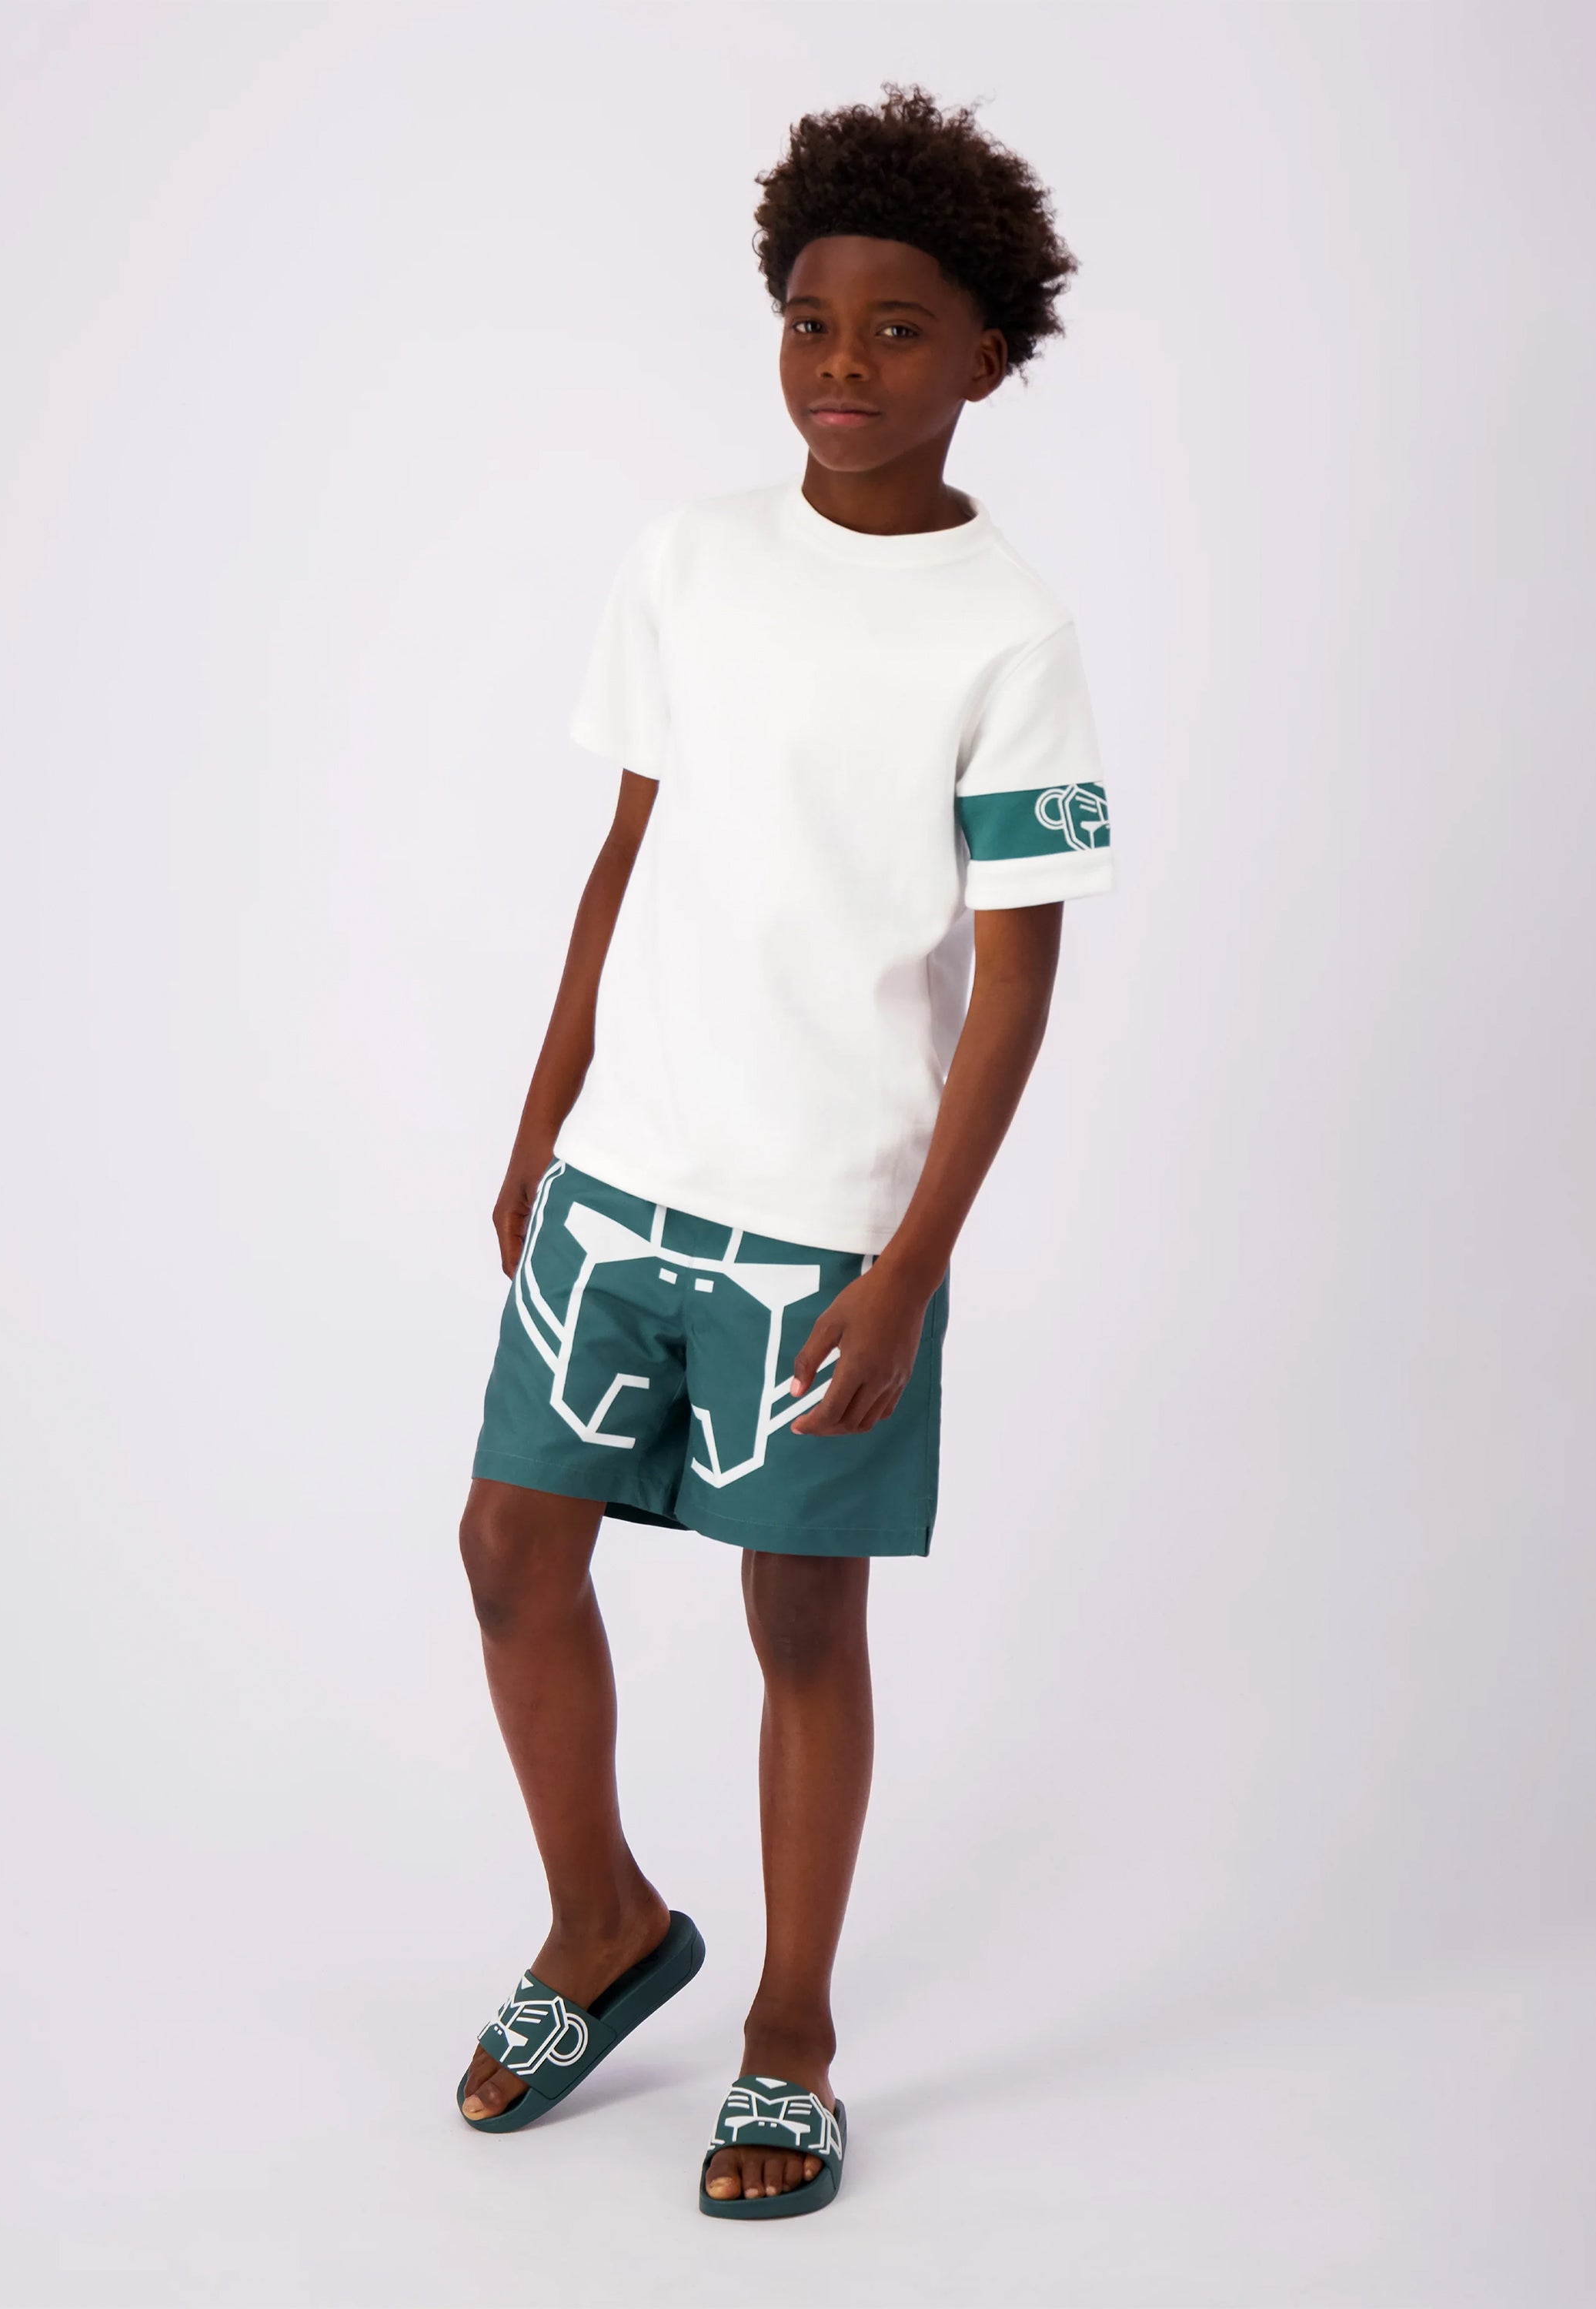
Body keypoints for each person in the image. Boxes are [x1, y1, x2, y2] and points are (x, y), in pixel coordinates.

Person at [453, 83, 1111, 2219]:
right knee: (508, 1552)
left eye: (900, 330)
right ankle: (603, 1927)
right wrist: (542, 1121)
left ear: (988, 354)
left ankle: (793, 2035)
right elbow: (625, 853)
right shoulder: (689, 560)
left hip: (826, 1228)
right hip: (623, 1178)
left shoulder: (1009, 632)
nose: (845, 364)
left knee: (801, 1623)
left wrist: (910, 1264)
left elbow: (1015, 983)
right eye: (813, 321)